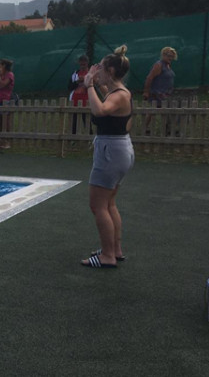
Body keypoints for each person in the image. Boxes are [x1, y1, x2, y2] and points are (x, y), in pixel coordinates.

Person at [81, 45, 134, 269]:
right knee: (110, 203)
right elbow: (107, 101)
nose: (98, 71)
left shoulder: (119, 95)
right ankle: (115, 250)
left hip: (111, 152)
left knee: (98, 205)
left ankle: (108, 256)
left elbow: (100, 111)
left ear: (111, 71)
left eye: (101, 68)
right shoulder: (119, 92)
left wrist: (89, 85)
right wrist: (98, 83)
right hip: (119, 149)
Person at [143, 46, 179, 135]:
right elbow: (149, 78)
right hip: (157, 93)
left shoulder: (168, 65)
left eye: (172, 56)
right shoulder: (158, 65)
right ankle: (147, 128)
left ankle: (167, 129)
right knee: (155, 111)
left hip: (166, 93)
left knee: (159, 112)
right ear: (163, 55)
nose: (170, 58)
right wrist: (146, 92)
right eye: (168, 56)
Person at [0, 59, 15, 149]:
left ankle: (7, 142)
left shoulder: (10, 75)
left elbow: (3, 84)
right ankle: (1, 141)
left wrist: (0, 78)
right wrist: (0, 86)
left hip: (6, 100)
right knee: (0, 121)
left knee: (6, 121)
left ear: (3, 66)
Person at [69, 55, 90, 135]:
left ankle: (89, 137)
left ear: (87, 63)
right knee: (74, 121)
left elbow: (94, 88)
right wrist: (77, 82)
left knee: (87, 121)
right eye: (81, 64)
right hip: (75, 100)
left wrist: (86, 82)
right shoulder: (75, 74)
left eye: (84, 65)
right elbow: (69, 87)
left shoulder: (90, 74)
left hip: (86, 101)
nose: (82, 66)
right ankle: (73, 137)